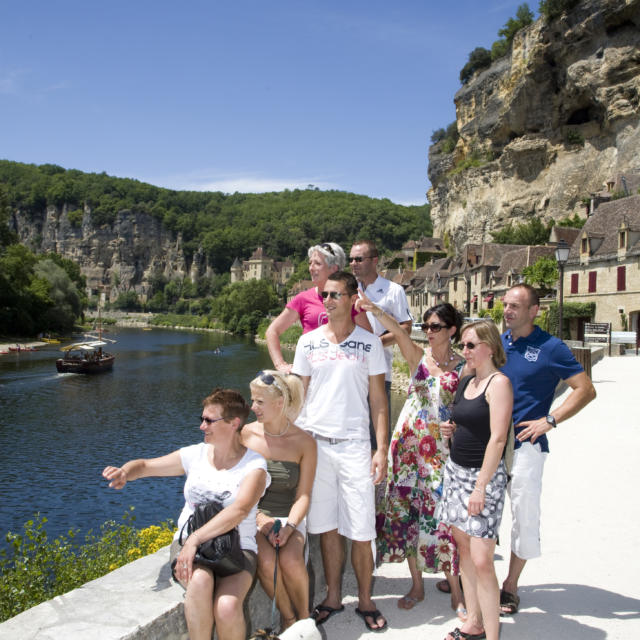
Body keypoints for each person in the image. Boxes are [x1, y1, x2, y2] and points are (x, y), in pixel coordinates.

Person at [102, 389, 269, 640]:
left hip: (237, 547)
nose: (202, 426)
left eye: (209, 421)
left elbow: (240, 510)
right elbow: (147, 466)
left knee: (227, 607)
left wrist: (194, 539)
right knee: (200, 582)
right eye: (202, 419)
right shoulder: (195, 455)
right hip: (191, 546)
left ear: (234, 423)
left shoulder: (254, 465)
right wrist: (126, 472)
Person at [357, 295, 466, 616]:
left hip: (440, 453)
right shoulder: (418, 357)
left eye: (435, 327)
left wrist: (457, 425)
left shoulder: (463, 367)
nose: (429, 332)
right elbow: (400, 333)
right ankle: (417, 585)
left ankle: (457, 591)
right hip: (405, 449)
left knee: (444, 520)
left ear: (452, 330)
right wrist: (377, 312)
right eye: (426, 326)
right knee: (407, 516)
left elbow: (471, 408)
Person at [292, 271, 389, 632]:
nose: (328, 300)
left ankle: (365, 601)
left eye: (335, 294)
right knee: (327, 528)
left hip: (354, 446)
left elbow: (378, 400)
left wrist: (381, 449)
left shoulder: (369, 343)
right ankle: (333, 597)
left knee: (361, 529)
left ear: (352, 299)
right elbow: (298, 398)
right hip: (315, 446)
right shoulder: (307, 343)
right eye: (325, 294)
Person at [499, 283, 596, 614]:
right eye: (505, 304)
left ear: (534, 311)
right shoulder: (496, 344)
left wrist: (550, 420)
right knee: (479, 512)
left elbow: (585, 389)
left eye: (515, 306)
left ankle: (510, 587)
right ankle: (473, 575)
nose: (507, 310)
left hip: (526, 444)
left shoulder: (551, 348)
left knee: (523, 517)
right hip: (489, 444)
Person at [437, 320, 513, 640]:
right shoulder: (466, 380)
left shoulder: (499, 384)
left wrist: (481, 486)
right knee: (464, 552)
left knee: (483, 560)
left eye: (470, 345)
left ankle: (492, 635)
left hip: (484, 478)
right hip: (455, 472)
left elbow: (497, 439)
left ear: (490, 347)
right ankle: (473, 622)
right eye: (462, 346)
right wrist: (450, 431)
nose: (464, 351)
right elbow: (465, 420)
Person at [241, 370, 317, 630]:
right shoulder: (245, 435)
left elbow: (304, 495)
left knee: (291, 560)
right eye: (253, 400)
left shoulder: (305, 442)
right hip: (252, 515)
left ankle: (306, 622)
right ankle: (289, 618)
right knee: (265, 560)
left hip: (289, 517)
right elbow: (233, 487)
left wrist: (289, 527)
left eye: (259, 402)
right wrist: (259, 517)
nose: (253, 408)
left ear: (279, 403)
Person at [266, 242, 371, 373]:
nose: (311, 268)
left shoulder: (349, 299)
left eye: (317, 263)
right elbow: (272, 331)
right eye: (310, 263)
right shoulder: (303, 299)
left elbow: (369, 339)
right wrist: (280, 364)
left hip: (342, 376)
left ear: (334, 268)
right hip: (308, 377)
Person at [349, 239, 412, 449]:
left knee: (376, 436)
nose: (353, 263)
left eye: (359, 259)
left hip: (378, 371)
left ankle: (377, 479)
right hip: (348, 370)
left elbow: (406, 328)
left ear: (374, 260)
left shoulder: (393, 290)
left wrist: (376, 344)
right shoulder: (348, 290)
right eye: (351, 259)